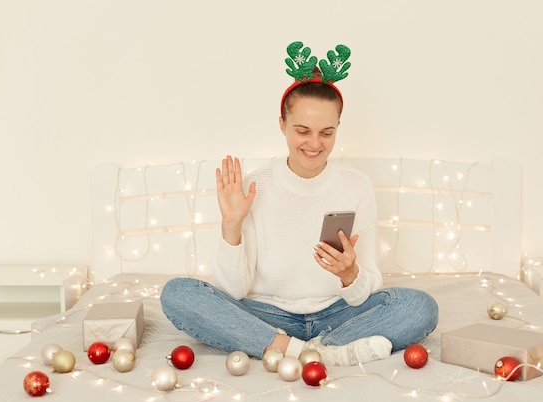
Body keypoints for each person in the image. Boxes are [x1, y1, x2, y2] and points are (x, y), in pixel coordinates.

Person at [160, 42, 438, 366]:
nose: (315, 144)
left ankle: (310, 349)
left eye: (327, 133)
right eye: (302, 131)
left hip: (337, 314)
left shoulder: (356, 186)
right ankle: (306, 350)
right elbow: (233, 291)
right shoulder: (254, 186)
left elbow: (364, 293)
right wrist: (232, 226)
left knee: (420, 307)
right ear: (282, 125)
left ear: (337, 130)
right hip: (267, 315)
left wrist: (350, 274)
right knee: (177, 293)